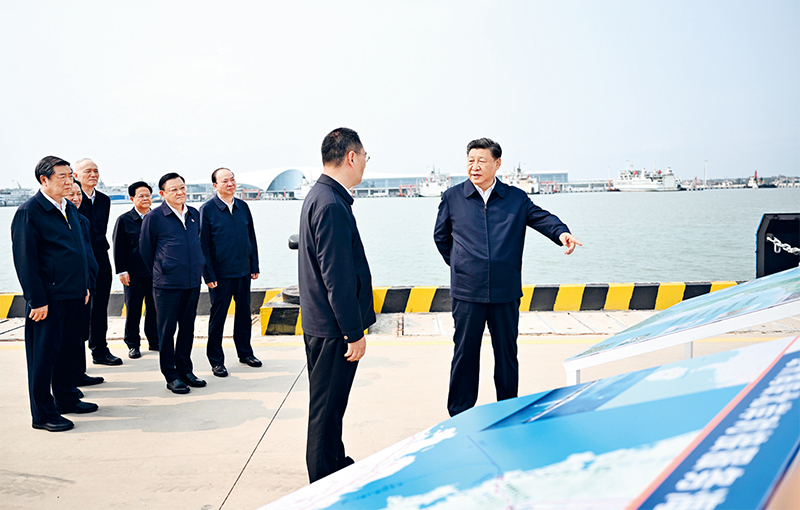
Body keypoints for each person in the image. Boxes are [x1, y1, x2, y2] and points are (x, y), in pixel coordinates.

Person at [433, 138, 582, 417]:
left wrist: (561, 233)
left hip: (505, 291)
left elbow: (541, 218)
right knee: (464, 354)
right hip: (467, 292)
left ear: (497, 163)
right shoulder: (453, 197)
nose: (475, 167)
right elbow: (441, 236)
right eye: (470, 161)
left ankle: (508, 410)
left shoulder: (515, 198)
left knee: (506, 355)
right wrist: (460, 265)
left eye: (482, 161)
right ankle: (460, 414)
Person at [298, 127, 375, 482]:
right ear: (351, 157)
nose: (365, 164)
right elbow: (337, 278)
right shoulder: (330, 204)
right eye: (365, 157)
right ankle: (322, 480)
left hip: (322, 323)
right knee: (325, 411)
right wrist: (353, 332)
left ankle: (335, 462)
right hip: (333, 330)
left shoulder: (322, 195)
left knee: (331, 407)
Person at [11, 156, 99, 432]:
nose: (69, 180)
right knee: (43, 358)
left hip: (74, 294)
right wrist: (37, 300)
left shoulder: (68, 208)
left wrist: (84, 285)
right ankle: (43, 414)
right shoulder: (30, 212)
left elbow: (81, 250)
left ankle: (67, 398)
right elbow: (25, 260)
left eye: (70, 175)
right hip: (48, 300)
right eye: (62, 176)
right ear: (44, 180)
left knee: (69, 351)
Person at [139, 173, 206, 394]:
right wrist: (163, 270)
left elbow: (198, 243)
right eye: (174, 189)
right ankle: (171, 375)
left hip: (192, 281)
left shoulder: (194, 214)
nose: (180, 193)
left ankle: (186, 370)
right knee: (166, 331)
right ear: (163, 193)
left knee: (187, 328)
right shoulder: (154, 217)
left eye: (182, 188)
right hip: (167, 284)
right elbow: (146, 250)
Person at [199, 168, 261, 377]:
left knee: (244, 315)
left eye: (232, 179)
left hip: (243, 271)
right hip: (221, 274)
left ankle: (245, 353)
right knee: (218, 318)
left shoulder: (243, 206)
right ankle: (216, 360)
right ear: (215, 186)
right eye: (224, 181)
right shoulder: (207, 209)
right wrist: (208, 275)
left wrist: (254, 265)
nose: (230, 184)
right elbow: (203, 245)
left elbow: (251, 237)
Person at [73, 158, 122, 367]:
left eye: (96, 170)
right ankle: (76, 359)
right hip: (79, 260)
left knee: (101, 307)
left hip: (101, 257)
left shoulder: (104, 200)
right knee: (80, 310)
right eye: (87, 171)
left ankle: (100, 350)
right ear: (75, 175)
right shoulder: (71, 199)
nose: (93, 174)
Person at [112, 181, 158, 359]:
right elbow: (118, 248)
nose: (145, 198)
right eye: (141, 196)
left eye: (148, 195)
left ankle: (154, 340)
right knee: (133, 310)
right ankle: (133, 344)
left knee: (154, 309)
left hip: (155, 272)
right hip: (133, 274)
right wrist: (122, 271)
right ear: (132, 198)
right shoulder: (124, 220)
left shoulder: (157, 218)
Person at [66, 180, 102, 391]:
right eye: (71, 194)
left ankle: (79, 373)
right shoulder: (64, 221)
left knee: (81, 331)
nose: (76, 198)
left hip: (87, 284)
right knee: (70, 335)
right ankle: (69, 380)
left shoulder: (82, 220)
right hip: (72, 287)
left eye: (79, 194)